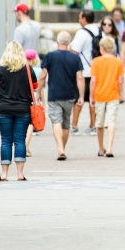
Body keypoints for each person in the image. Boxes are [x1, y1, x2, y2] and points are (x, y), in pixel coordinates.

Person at [0, 42, 37, 181]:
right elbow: (34, 86)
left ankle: (4, 174)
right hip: (23, 109)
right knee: (19, 141)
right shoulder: (28, 69)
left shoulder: (1, 69)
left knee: (5, 141)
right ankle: (20, 174)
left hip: (4, 109)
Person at [39, 31, 83, 160]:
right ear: (69, 42)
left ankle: (60, 149)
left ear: (57, 42)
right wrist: (80, 96)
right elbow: (80, 78)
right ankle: (62, 148)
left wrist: (38, 92)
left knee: (56, 121)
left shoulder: (50, 56)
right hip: (70, 95)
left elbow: (42, 76)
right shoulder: (75, 58)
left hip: (54, 94)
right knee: (65, 123)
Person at [89, 37, 124, 157]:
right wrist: (120, 93)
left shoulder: (96, 61)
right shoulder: (117, 61)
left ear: (102, 48)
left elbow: (93, 80)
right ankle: (109, 148)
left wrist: (91, 96)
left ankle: (101, 148)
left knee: (99, 122)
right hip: (113, 94)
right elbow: (120, 80)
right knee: (111, 121)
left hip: (99, 94)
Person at [69, 9, 101, 136]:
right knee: (93, 100)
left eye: (79, 17)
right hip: (96, 70)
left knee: (79, 100)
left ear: (83, 18)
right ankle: (93, 125)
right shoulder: (99, 30)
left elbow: (75, 50)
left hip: (83, 71)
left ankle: (74, 125)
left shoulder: (82, 33)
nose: (78, 19)